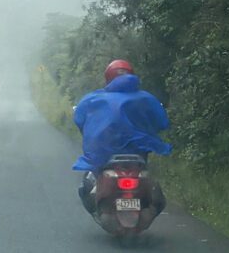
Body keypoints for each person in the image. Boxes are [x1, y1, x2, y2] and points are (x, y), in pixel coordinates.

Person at [73, 59, 171, 214]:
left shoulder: (93, 99)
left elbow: (80, 120)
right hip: (137, 156)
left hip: (105, 155)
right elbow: (162, 122)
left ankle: (99, 195)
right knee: (147, 174)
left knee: (92, 178)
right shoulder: (146, 98)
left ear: (108, 78)